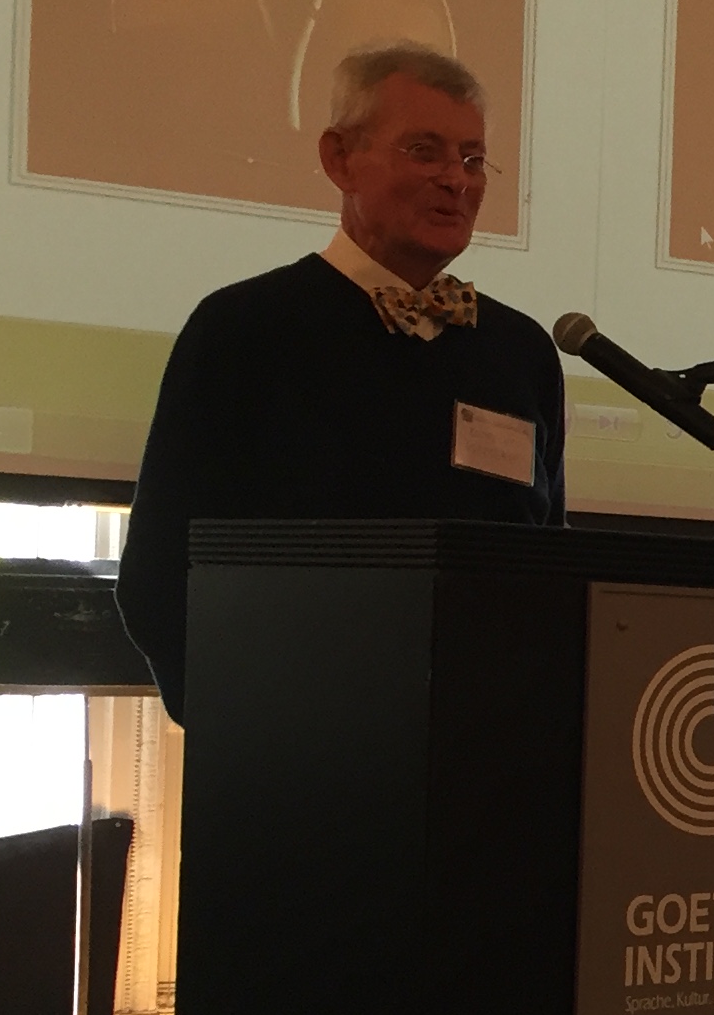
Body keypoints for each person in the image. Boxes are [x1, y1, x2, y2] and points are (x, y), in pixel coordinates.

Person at [118, 42, 564, 721]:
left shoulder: (520, 351)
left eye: (472, 159)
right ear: (340, 158)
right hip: (294, 747)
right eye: (425, 151)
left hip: (490, 748)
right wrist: (241, 729)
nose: (456, 180)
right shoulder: (244, 330)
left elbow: (548, 575)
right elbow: (159, 576)